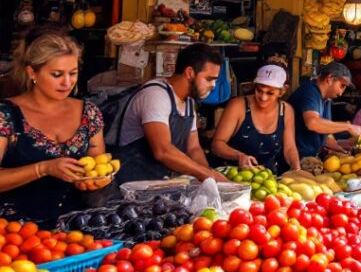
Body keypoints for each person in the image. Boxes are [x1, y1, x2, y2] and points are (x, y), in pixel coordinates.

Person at [0, 31, 106, 221]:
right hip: (13, 234)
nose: (67, 82)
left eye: (73, 73)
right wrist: (43, 169)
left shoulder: (89, 114)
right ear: (32, 72)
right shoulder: (5, 116)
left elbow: (98, 163)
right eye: (57, 74)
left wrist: (91, 181)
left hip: (76, 231)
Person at [114, 43, 230, 184]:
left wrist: (208, 179)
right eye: (209, 79)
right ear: (189, 73)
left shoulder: (188, 102)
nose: (213, 85)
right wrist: (206, 174)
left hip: (160, 183)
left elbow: (193, 148)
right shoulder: (155, 95)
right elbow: (162, 151)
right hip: (133, 184)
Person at [210, 64, 301, 174]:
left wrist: (296, 169)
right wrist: (239, 156)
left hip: (266, 180)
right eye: (259, 90)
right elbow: (217, 144)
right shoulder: (238, 106)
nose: (263, 97)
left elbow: (290, 148)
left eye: (270, 93)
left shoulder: (286, 111)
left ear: (282, 91)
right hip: (231, 178)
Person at [288, 62, 361, 160]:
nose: (341, 93)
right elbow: (312, 123)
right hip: (294, 159)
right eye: (342, 86)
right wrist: (348, 127)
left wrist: (341, 151)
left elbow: (326, 135)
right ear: (329, 79)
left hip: (310, 158)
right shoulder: (310, 91)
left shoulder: (327, 99)